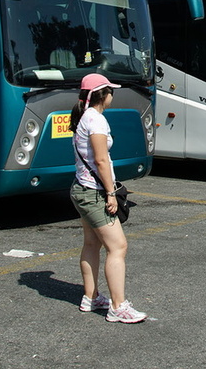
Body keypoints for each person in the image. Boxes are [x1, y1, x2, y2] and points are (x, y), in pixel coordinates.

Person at [69, 73, 148, 323]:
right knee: (118, 247)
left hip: (82, 188)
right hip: (94, 192)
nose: (114, 94)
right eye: (111, 90)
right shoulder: (96, 121)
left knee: (92, 244)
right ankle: (118, 306)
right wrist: (111, 193)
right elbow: (102, 160)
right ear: (103, 94)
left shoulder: (84, 117)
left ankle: (91, 298)